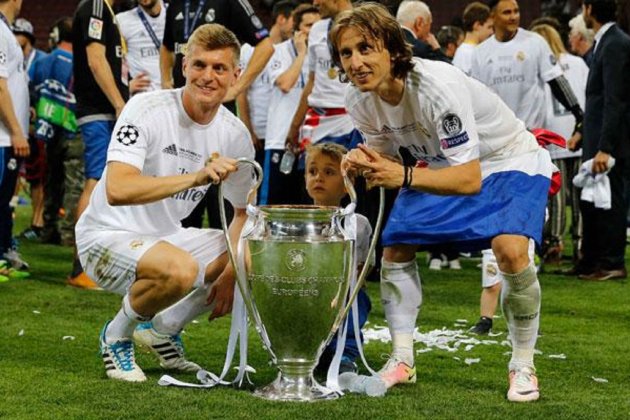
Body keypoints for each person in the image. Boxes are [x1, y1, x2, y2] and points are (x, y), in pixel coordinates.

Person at [331, 3, 554, 402]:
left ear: (392, 48)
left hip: (508, 157)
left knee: (511, 250)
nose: (356, 62)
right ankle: (402, 360)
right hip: (440, 162)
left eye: (366, 48)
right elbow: (385, 155)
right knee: (395, 248)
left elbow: (468, 179)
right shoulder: (358, 99)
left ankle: (522, 364)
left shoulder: (436, 87)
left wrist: (405, 176)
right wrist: (362, 159)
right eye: (347, 53)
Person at [75, 23, 255, 382]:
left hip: (165, 238)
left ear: (236, 75)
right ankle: (116, 335)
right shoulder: (146, 108)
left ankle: (163, 330)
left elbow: (241, 214)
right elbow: (118, 189)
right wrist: (196, 177)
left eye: (219, 68)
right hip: (105, 236)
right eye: (200, 65)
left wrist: (234, 271)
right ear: (184, 66)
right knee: (180, 268)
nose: (208, 76)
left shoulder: (235, 134)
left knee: (254, 252)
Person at [70, 0, 131, 289]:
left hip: (103, 109)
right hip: (98, 110)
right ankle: (80, 267)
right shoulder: (94, 6)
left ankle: (93, 263)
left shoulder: (107, 11)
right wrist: (119, 104)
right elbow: (96, 59)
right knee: (95, 181)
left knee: (103, 182)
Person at [573, 0, 630, 281]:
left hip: (609, 142)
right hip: (596, 137)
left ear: (589, 9)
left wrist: (606, 147)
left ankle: (612, 262)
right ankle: (591, 261)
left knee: (610, 202)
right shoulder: (605, 41)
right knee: (592, 202)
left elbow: (615, 98)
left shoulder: (616, 43)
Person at [304, 142, 372, 374]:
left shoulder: (359, 224)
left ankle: (345, 353)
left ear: (347, 185)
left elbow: (363, 267)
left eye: (329, 172)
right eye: (312, 171)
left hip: (342, 294)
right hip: (307, 292)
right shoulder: (297, 222)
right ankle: (303, 352)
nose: (318, 178)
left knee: (358, 299)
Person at [471, 0, 583, 131]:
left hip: (531, 135)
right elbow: (477, 97)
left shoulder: (534, 42)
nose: (513, 17)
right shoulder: (480, 53)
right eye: (507, 12)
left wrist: (578, 114)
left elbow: (557, 81)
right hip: (498, 136)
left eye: (516, 11)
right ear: (492, 16)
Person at [531, 23, 588, 266]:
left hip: (552, 136)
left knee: (554, 196)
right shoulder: (578, 63)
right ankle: (581, 244)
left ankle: (554, 242)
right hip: (577, 136)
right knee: (578, 196)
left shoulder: (540, 67)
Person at [260, 4, 320, 205]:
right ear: (297, 28)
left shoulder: (322, 56)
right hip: (279, 141)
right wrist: (302, 54)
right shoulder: (277, 52)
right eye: (309, 25)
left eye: (317, 25)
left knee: (303, 205)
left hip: (308, 143)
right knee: (272, 207)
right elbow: (286, 83)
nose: (314, 30)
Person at [30, 17, 80, 247]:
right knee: (73, 185)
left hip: (48, 133)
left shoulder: (42, 60)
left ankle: (48, 229)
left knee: (52, 182)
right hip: (74, 130)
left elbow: (32, 93)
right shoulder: (82, 63)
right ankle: (69, 235)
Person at [237, 0, 297, 170]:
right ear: (281, 19)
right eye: (294, 21)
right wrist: (248, 129)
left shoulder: (291, 50)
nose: (296, 28)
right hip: (259, 130)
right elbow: (241, 92)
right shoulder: (249, 49)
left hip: (281, 132)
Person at [0, 0, 30, 273]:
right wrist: (17, 131)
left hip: (8, 136)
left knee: (4, 197)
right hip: (3, 136)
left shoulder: (5, 30)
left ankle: (3, 251)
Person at [14, 18, 46, 243]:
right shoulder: (10, 58)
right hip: (15, 128)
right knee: (15, 175)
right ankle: (14, 212)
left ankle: (39, 221)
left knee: (38, 177)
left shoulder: (42, 61)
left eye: (23, 45)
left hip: (39, 129)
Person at [116, 0, 166, 94]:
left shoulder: (176, 14)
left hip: (173, 95)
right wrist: (125, 87)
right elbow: (108, 59)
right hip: (144, 99)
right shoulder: (122, 21)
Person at [452, 1, 494, 75]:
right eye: (489, 27)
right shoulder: (467, 53)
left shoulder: (469, 51)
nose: (492, 32)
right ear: (477, 25)